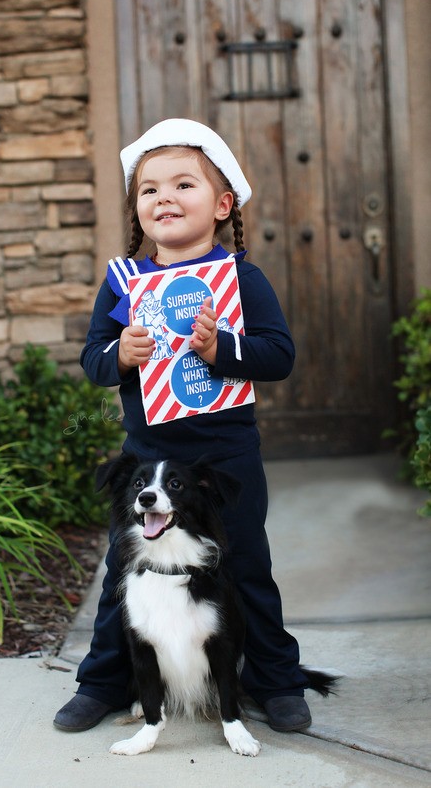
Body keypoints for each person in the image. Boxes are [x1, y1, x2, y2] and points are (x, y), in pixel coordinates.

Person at [54, 118, 312, 735]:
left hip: (226, 455)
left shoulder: (241, 279)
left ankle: (274, 678)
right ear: (137, 209)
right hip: (149, 455)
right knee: (128, 567)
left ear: (222, 205)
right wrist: (119, 355)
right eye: (149, 189)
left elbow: (279, 354)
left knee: (244, 563)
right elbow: (93, 360)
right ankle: (104, 680)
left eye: (183, 184)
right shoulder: (124, 285)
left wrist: (222, 349)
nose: (164, 198)